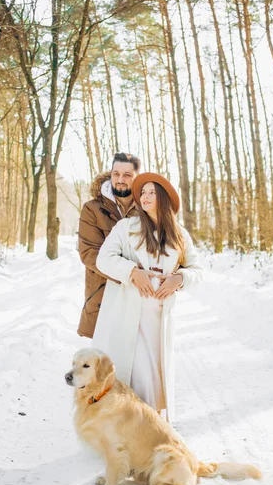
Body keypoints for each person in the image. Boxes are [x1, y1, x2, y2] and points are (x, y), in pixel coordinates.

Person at [92, 172, 201, 422]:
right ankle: (136, 431)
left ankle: (153, 432)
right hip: (131, 317)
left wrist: (180, 279)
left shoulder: (180, 235)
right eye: (143, 192)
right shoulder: (126, 228)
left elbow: (198, 270)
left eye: (152, 192)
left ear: (163, 198)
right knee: (138, 376)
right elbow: (103, 259)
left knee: (156, 376)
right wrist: (132, 272)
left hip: (159, 320)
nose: (145, 197)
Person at [77, 153, 141, 339]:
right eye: (116, 174)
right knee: (105, 359)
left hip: (140, 295)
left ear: (136, 177)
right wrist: (131, 274)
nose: (120, 180)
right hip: (103, 291)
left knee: (138, 358)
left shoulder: (146, 208)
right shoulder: (92, 209)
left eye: (127, 175)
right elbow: (89, 253)